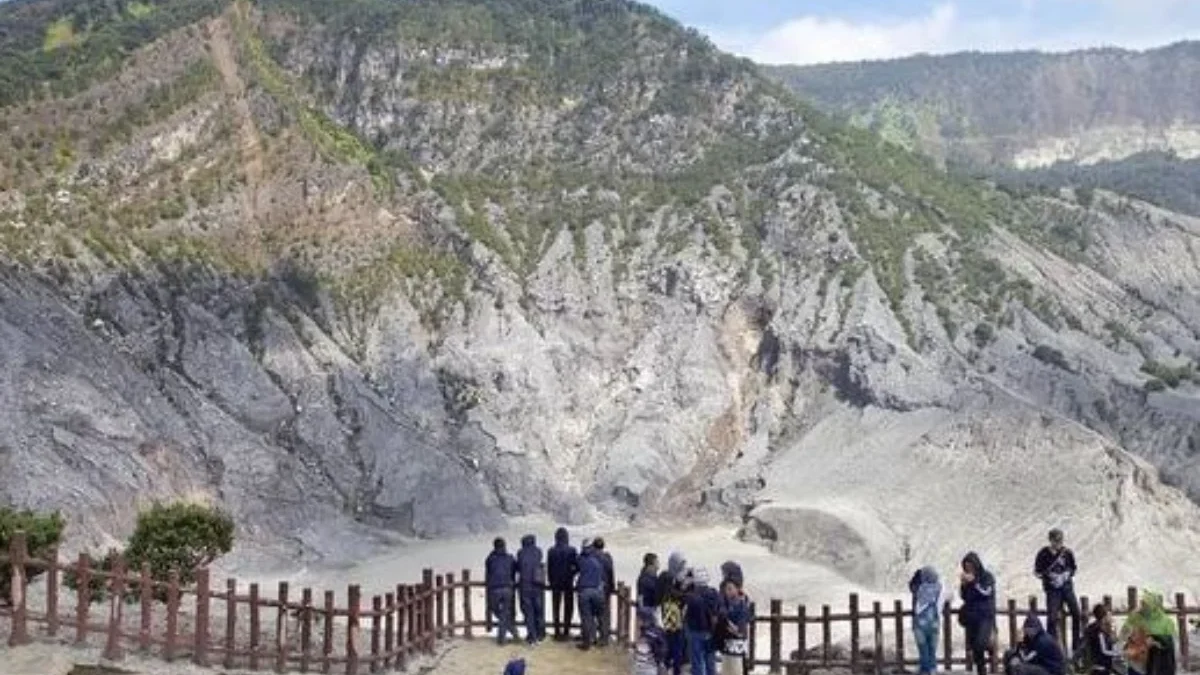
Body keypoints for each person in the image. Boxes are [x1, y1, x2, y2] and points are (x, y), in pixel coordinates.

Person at [1035, 529, 1081, 655]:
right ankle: (1053, 647)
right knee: (1052, 618)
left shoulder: (1067, 553)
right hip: (1052, 589)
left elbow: (1073, 569)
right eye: (1056, 541)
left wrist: (1065, 575)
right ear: (1050, 540)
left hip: (1066, 587)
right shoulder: (1043, 554)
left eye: (1060, 540)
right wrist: (1050, 576)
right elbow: (1037, 572)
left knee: (1076, 613)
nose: (1058, 543)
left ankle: (1075, 646)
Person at [1119, 590, 1177, 675]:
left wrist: (1156, 642)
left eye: (1146, 604)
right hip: (1136, 663)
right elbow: (1123, 636)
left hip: (1156, 664)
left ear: (1154, 606)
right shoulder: (1135, 617)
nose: (1143, 607)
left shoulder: (1166, 621)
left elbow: (1170, 645)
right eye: (1142, 603)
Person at [960, 552, 997, 675]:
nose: (969, 568)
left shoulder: (987, 576)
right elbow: (965, 597)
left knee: (980, 644)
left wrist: (974, 582)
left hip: (985, 615)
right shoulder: (967, 577)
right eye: (966, 566)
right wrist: (964, 586)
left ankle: (990, 647)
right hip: (972, 616)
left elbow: (986, 592)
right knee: (974, 647)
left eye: (971, 565)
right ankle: (982, 671)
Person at [683, 567, 720, 675]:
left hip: (695, 632)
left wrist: (686, 583)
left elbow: (686, 613)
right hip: (710, 632)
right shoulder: (714, 593)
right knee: (710, 662)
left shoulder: (691, 597)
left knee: (697, 663)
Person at [657, 551, 688, 675]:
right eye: (682, 564)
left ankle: (665, 664)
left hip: (667, 612)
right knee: (676, 642)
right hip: (672, 613)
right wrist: (685, 593)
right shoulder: (669, 578)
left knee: (670, 640)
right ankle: (674, 669)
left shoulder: (665, 575)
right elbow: (672, 594)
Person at [909, 566, 944, 675]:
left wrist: (917, 575)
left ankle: (924, 670)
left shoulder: (919, 589)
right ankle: (933, 669)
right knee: (932, 649)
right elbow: (950, 597)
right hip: (934, 624)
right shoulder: (940, 588)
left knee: (923, 649)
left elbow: (911, 586)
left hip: (920, 625)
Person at [547, 526, 578, 641]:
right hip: (568, 581)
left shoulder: (551, 551)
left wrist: (550, 580)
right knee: (568, 606)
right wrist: (572, 574)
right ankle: (566, 631)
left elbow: (549, 568)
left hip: (555, 582)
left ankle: (556, 631)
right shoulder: (572, 550)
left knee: (556, 607)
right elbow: (576, 566)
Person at [486, 537, 519, 645]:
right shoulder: (510, 558)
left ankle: (502, 639)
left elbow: (488, 572)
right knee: (504, 614)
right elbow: (514, 571)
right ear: (504, 546)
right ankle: (513, 632)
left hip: (494, 589)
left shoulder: (490, 559)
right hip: (508, 589)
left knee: (496, 611)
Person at [716, 578, 752, 675]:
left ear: (737, 589)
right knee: (727, 669)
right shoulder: (727, 603)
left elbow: (740, 628)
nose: (727, 591)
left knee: (735, 669)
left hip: (736, 644)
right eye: (726, 589)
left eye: (730, 589)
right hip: (728, 643)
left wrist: (729, 625)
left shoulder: (741, 605)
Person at [576, 540, 606, 651]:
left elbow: (576, 568)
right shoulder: (599, 558)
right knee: (600, 616)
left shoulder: (580, 559)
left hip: (584, 591)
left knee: (586, 618)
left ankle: (587, 643)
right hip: (598, 591)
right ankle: (603, 640)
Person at [516, 533, 546, 644]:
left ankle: (532, 637)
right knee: (539, 611)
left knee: (528, 612)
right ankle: (541, 635)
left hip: (525, 586)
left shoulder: (520, 553)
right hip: (537, 586)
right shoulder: (538, 551)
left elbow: (519, 567)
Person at [1082, 604, 1119, 675]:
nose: (1111, 617)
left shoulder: (1091, 628)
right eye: (1109, 615)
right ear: (1104, 616)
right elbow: (1106, 650)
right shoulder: (1101, 632)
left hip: (1094, 668)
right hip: (1101, 669)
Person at [632, 607, 669, 675]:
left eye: (639, 619)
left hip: (648, 668)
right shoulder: (647, 632)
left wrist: (660, 662)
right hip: (644, 667)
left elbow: (642, 653)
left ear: (645, 620)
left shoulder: (649, 635)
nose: (637, 621)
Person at [594, 537, 616, 647]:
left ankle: (593, 636)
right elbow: (611, 573)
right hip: (604, 589)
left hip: (593, 587)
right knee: (604, 614)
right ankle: (604, 638)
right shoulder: (607, 558)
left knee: (592, 613)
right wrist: (612, 587)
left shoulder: (591, 556)